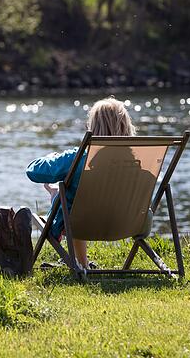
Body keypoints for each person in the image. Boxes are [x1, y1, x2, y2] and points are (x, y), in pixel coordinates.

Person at [26, 97, 135, 269]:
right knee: (76, 197)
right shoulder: (136, 160)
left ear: (93, 125)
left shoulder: (79, 157)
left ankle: (81, 264)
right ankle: (82, 263)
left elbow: (33, 171)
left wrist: (51, 158)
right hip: (127, 222)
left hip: (81, 221)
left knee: (73, 201)